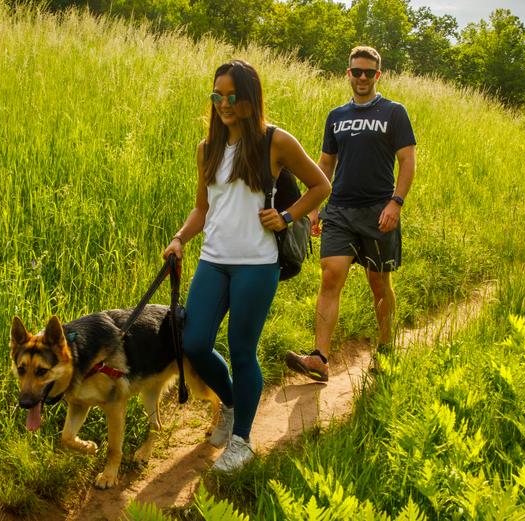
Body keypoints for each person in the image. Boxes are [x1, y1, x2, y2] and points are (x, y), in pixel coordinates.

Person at [163, 60, 330, 472]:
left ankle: (242, 442)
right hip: (213, 261)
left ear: (249, 98)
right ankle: (232, 405)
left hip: (257, 264)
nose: (222, 103)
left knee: (242, 350)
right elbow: (203, 208)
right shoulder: (207, 148)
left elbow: (321, 185)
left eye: (231, 96)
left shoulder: (275, 141)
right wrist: (180, 238)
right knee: (195, 342)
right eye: (216, 96)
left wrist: (288, 216)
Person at [285, 46, 417, 382]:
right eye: (356, 71)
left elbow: (407, 161)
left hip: (378, 211)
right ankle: (319, 358)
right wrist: (315, 208)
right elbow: (325, 164)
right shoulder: (336, 116)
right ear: (348, 74)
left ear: (378, 75)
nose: (361, 77)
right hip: (340, 209)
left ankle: (387, 347)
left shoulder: (394, 112)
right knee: (330, 276)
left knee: (378, 282)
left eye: (368, 72)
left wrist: (396, 202)